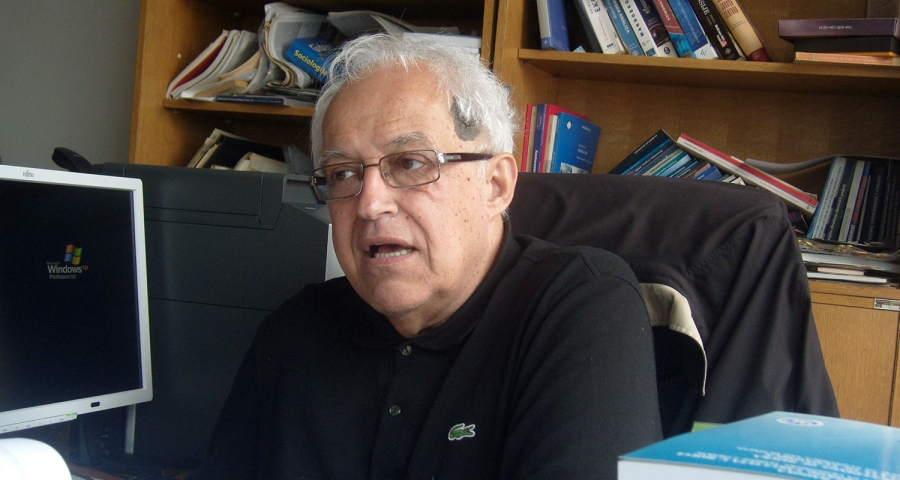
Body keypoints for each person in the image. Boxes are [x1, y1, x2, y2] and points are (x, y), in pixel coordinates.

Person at [189, 33, 661, 479]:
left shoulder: (582, 306)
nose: (369, 204)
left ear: (495, 185)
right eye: (342, 174)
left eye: (410, 163)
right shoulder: (293, 332)